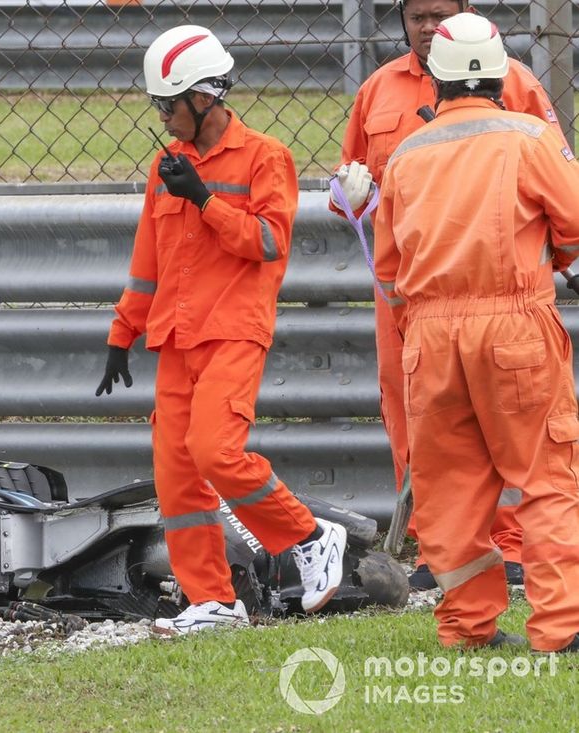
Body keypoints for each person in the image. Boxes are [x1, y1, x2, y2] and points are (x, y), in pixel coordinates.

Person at [95, 24, 348, 635]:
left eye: (169, 106)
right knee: (177, 473)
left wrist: (206, 200)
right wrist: (122, 332)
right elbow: (148, 260)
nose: (162, 118)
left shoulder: (265, 157)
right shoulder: (166, 165)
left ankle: (310, 537)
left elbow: (269, 242)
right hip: (176, 337)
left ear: (204, 97)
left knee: (215, 451)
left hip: (233, 329)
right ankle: (211, 599)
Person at [331, 0, 567, 590]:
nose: (428, 27)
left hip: (469, 293)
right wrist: (350, 198)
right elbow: (351, 184)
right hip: (424, 296)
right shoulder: (379, 90)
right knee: (420, 422)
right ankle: (440, 556)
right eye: (417, 17)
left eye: (439, 16)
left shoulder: (519, 84)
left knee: (497, 438)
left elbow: (552, 177)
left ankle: (505, 548)